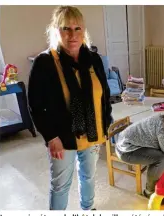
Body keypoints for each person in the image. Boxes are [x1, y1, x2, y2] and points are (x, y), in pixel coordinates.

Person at [27, 6, 112, 210]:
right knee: (60, 185)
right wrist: (50, 137)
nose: (72, 35)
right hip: (62, 138)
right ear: (56, 30)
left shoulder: (93, 59)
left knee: (89, 176)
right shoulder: (45, 62)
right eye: (66, 28)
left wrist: (106, 122)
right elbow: (35, 105)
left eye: (77, 28)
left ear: (84, 31)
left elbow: (105, 95)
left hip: (93, 133)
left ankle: (88, 208)